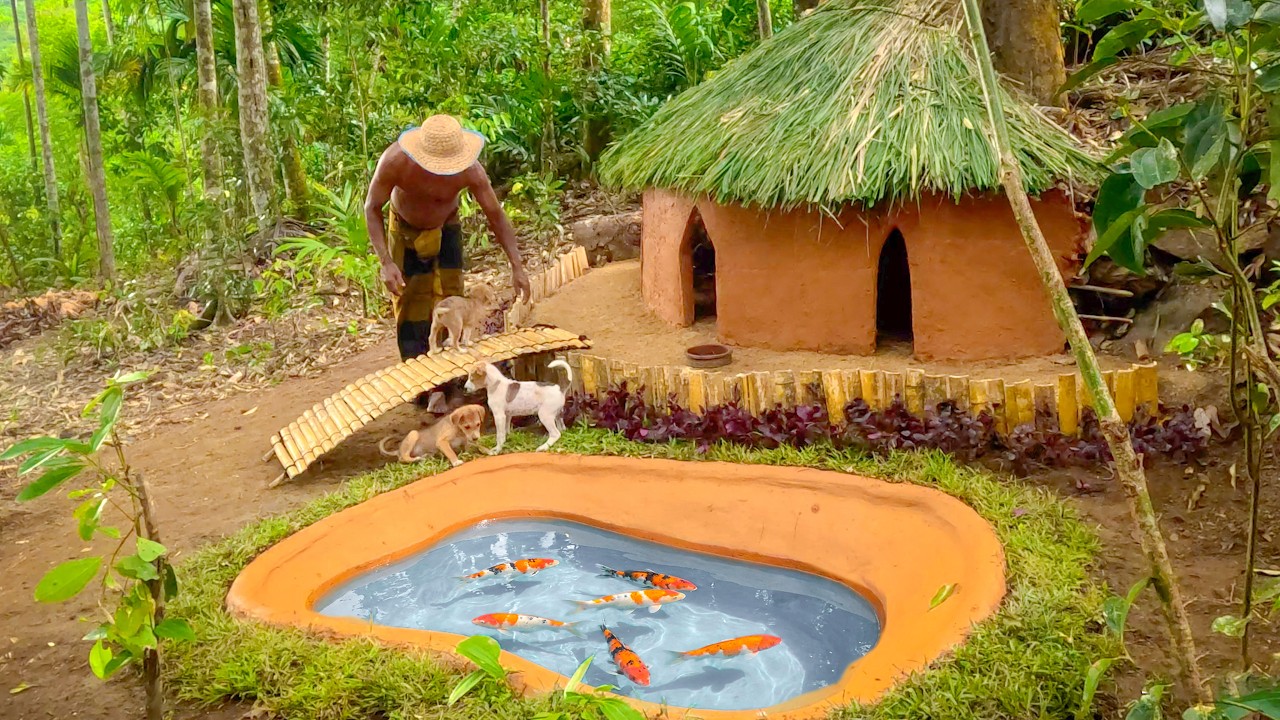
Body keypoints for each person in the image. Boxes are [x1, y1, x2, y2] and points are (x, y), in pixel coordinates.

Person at [365, 115, 530, 408]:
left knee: (452, 302)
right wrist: (386, 262)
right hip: (405, 229)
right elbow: (372, 207)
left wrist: (517, 265)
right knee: (411, 304)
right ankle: (422, 384)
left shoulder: (471, 171)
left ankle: (451, 380)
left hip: (446, 227)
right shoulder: (395, 162)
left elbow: (495, 215)